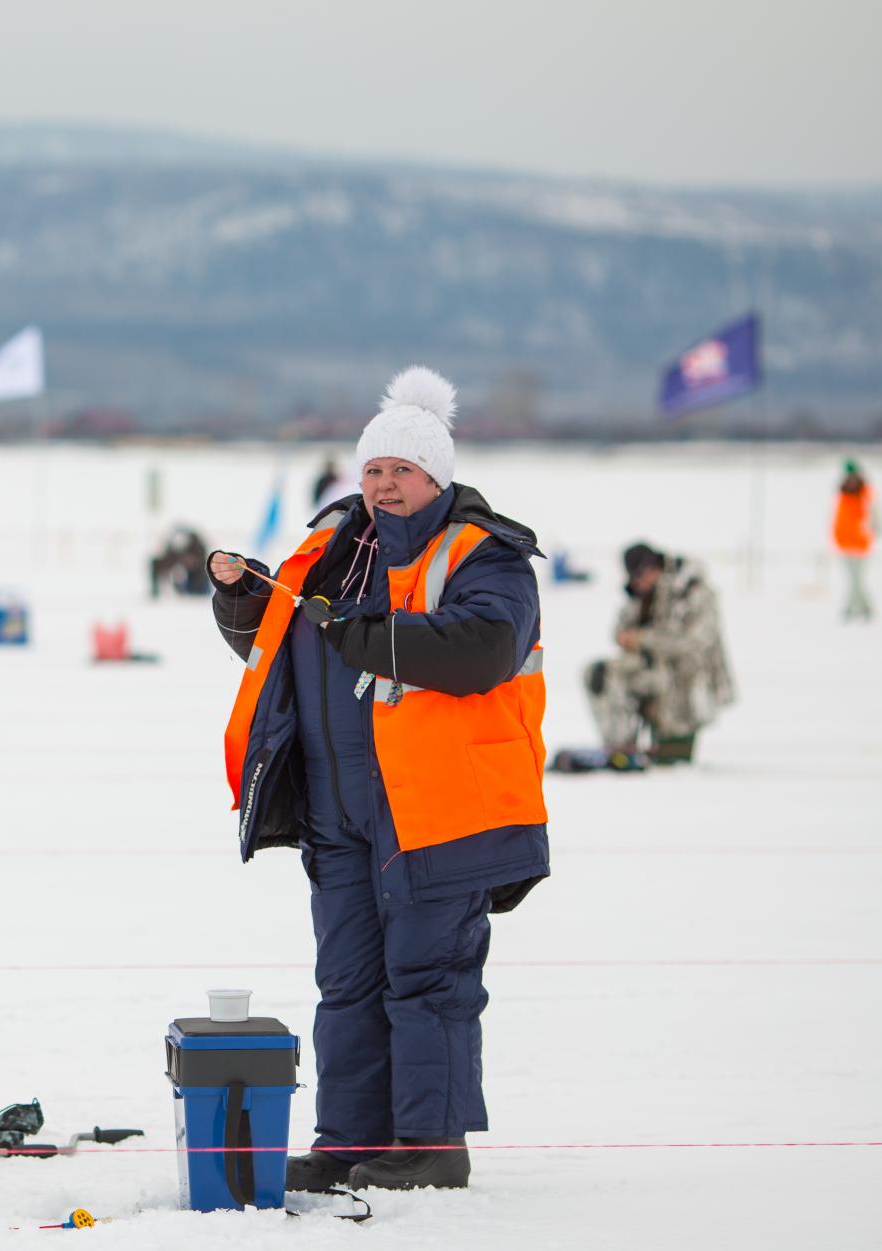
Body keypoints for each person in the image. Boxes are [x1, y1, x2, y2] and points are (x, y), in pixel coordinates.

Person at [209, 366, 548, 1194]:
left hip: (438, 808)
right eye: (372, 470)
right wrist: (239, 599)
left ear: (437, 476)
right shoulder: (329, 541)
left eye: (401, 470)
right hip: (336, 803)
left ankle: (430, 1143)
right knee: (348, 979)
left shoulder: (484, 550)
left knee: (429, 976)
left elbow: (486, 647)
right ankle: (348, 1138)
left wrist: (376, 637)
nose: (383, 485)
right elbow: (278, 641)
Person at [586, 544, 734, 764]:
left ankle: (672, 746)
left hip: (688, 682)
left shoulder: (692, 590)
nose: (638, 583)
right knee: (600, 673)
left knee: (672, 761)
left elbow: (694, 642)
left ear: (653, 567)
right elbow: (621, 629)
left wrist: (643, 639)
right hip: (653, 672)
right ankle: (621, 750)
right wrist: (627, 636)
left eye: (640, 576)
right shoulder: (641, 595)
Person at [832, 460, 877, 622]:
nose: (851, 479)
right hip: (844, 543)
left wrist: (869, 531)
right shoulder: (843, 494)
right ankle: (864, 608)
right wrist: (836, 536)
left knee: (856, 580)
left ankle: (852, 609)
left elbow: (874, 517)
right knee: (853, 579)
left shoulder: (865, 494)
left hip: (860, 543)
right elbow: (838, 519)